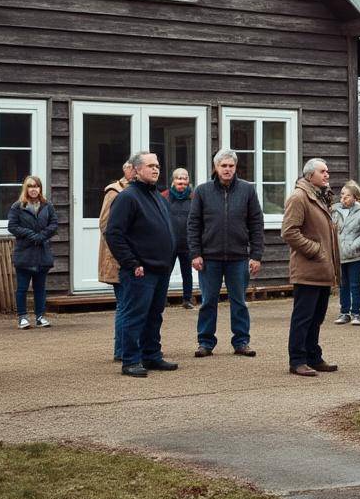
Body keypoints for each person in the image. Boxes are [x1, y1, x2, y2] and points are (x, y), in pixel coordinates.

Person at [105, 151, 179, 378]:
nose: (156, 169)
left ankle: (151, 355)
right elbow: (113, 233)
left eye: (157, 165)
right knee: (135, 315)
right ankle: (130, 360)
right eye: (150, 166)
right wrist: (131, 262)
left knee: (155, 315)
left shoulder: (158, 196)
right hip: (139, 270)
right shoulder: (127, 197)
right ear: (136, 170)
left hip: (161, 269)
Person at [188, 149, 265, 358]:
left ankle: (241, 342)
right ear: (216, 167)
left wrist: (256, 255)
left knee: (239, 302)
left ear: (235, 167)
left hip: (238, 257)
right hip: (209, 258)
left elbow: (256, 223)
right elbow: (193, 224)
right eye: (223, 166)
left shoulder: (247, 190)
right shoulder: (202, 191)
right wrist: (195, 253)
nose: (227, 169)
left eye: (231, 166)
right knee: (208, 302)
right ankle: (205, 342)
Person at [282, 158, 341, 376]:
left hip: (322, 270)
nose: (327, 174)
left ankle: (313, 357)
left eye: (327, 171)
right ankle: (297, 360)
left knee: (316, 318)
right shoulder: (299, 197)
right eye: (322, 171)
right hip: (307, 270)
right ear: (310, 175)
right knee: (303, 318)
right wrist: (316, 250)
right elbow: (289, 231)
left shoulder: (320, 197)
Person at [7, 175, 57, 329]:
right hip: (24, 253)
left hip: (42, 253)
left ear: (40, 188)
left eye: (36, 186)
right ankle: (22, 317)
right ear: (26, 188)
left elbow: (54, 224)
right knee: (22, 288)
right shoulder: (18, 206)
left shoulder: (47, 205)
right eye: (30, 186)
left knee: (40, 288)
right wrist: (30, 234)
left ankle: (40, 316)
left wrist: (42, 236)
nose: (33, 189)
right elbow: (12, 226)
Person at [99, 160, 133, 361]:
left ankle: (131, 347)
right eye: (133, 169)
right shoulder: (114, 192)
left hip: (135, 258)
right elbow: (105, 225)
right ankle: (121, 350)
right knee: (124, 305)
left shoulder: (139, 191)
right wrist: (122, 251)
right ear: (126, 170)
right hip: (118, 259)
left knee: (131, 304)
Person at [331, 181, 360, 326]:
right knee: (343, 285)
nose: (343, 197)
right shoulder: (334, 211)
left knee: (355, 285)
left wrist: (353, 246)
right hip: (339, 255)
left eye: (347, 195)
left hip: (355, 256)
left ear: (355, 197)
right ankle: (344, 312)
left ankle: (356, 313)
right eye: (342, 194)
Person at [163, 168, 196, 309]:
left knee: (187, 273)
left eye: (184, 180)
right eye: (179, 180)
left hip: (187, 242)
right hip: (169, 243)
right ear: (173, 181)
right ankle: (161, 299)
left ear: (188, 181)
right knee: (165, 272)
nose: (182, 183)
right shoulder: (164, 197)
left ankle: (187, 299)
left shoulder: (194, 197)